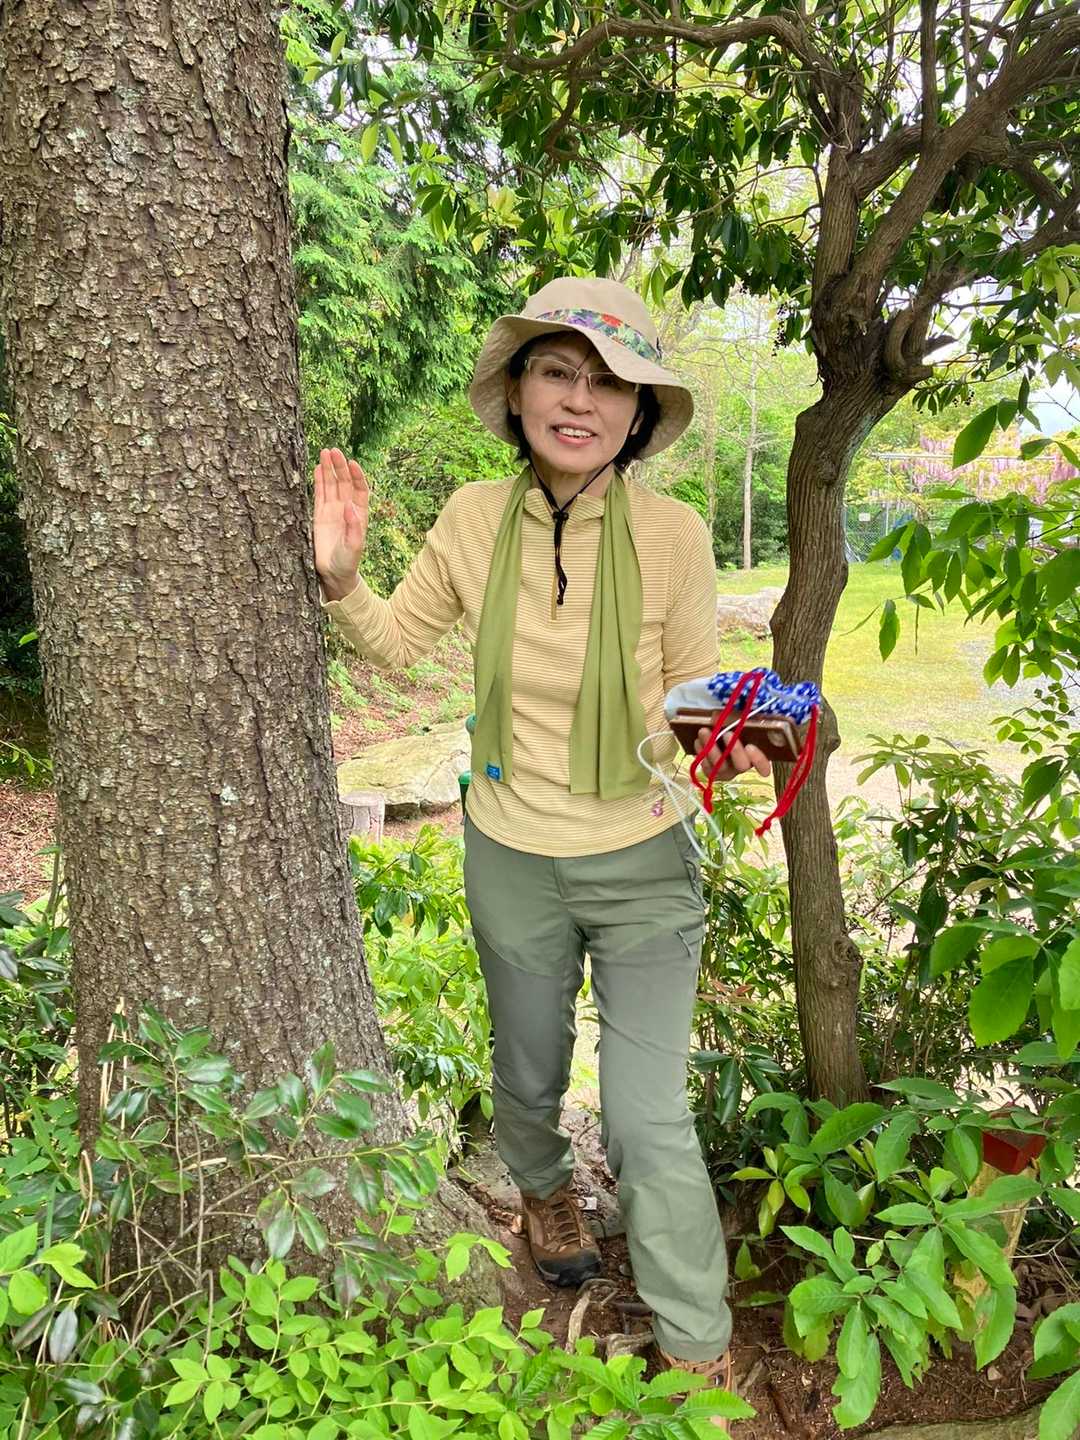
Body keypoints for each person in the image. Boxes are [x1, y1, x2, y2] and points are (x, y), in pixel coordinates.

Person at [314, 276, 770, 1412]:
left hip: (644, 858)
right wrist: (343, 580)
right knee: (526, 1074)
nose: (581, 400)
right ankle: (544, 1190)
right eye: (558, 372)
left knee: (647, 1115)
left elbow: (686, 694)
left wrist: (726, 741)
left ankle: (695, 1345)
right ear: (517, 392)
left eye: (611, 383)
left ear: (639, 413)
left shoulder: (674, 534)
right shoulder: (475, 518)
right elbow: (396, 641)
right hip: (511, 850)